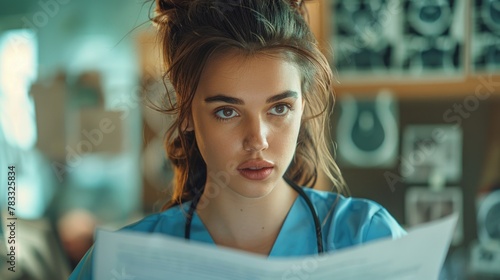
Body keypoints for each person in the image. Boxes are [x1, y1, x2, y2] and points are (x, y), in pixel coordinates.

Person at [70, 0, 405, 278]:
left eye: (279, 108)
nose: (257, 140)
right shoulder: (122, 264)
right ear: (186, 113)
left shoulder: (368, 239)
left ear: (302, 107)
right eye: (227, 111)